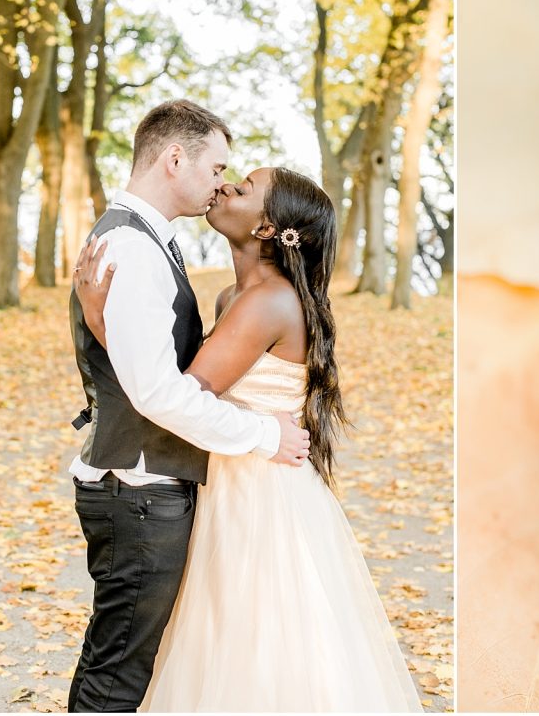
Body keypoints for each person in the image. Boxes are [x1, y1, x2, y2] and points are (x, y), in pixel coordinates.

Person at [73, 166, 424, 711]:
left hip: (257, 490)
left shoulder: (266, 301)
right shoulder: (233, 295)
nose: (227, 187)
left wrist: (102, 320)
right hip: (230, 470)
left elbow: (177, 393)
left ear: (266, 227)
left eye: (244, 188)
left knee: (252, 640)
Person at [66, 100, 311, 713]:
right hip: (140, 488)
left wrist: (104, 327)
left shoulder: (155, 242)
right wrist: (262, 434)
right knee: (120, 668)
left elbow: (161, 371)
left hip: (164, 483)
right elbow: (159, 390)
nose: (222, 182)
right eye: (218, 167)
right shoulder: (137, 245)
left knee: (137, 660)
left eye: (236, 177)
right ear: (176, 158)